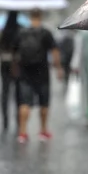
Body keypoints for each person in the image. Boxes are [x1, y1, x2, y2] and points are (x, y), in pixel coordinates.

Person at [13, 9, 63, 143]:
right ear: (40, 16)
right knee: (44, 102)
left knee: (24, 102)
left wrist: (15, 69)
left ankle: (22, 132)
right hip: (42, 71)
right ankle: (43, 130)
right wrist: (58, 68)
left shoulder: (21, 33)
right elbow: (54, 51)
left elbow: (15, 52)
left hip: (25, 71)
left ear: (30, 16)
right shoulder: (46, 33)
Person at [0, 11, 21, 130]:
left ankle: (5, 121)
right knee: (18, 94)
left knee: (5, 93)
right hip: (16, 65)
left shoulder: (3, 31)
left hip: (4, 65)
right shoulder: (20, 31)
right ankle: (18, 120)